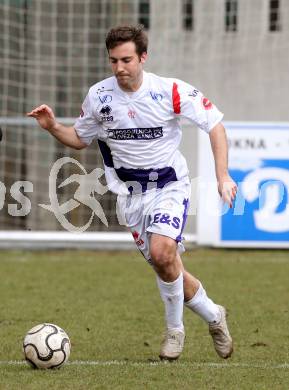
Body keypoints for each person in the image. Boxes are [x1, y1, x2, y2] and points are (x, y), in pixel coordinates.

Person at [27, 24, 237, 361]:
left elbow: (215, 125)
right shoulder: (99, 96)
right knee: (168, 269)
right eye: (113, 61)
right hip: (129, 195)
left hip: (169, 185)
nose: (120, 68)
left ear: (143, 57)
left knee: (164, 251)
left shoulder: (170, 91)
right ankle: (214, 315)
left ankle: (174, 333)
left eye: (127, 60)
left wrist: (222, 175)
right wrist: (53, 126)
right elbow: (80, 139)